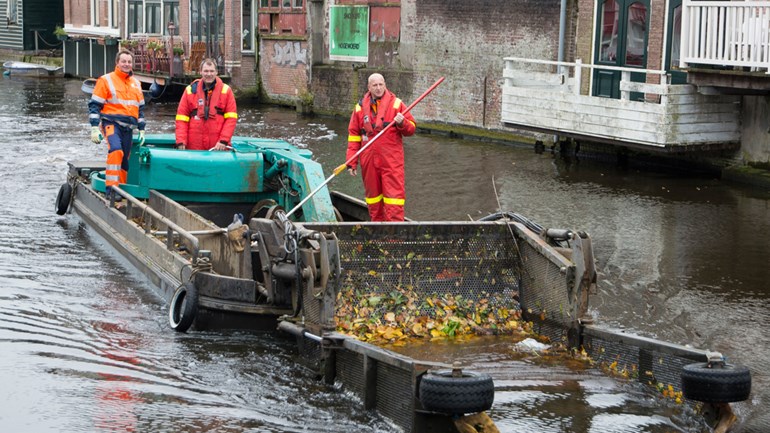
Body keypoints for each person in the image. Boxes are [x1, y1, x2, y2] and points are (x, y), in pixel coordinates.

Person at [346, 73, 416, 221]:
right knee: (373, 200)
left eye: (381, 85)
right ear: (368, 87)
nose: (378, 88)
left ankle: (393, 240)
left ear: (385, 84)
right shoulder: (359, 108)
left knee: (394, 200)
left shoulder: (396, 104)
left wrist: (402, 123)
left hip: (391, 161)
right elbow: (353, 136)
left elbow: (411, 129)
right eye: (375, 85)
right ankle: (377, 234)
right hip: (369, 161)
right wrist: (351, 162)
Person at [88, 49, 146, 197]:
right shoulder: (106, 80)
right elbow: (95, 105)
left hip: (128, 127)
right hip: (112, 123)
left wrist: (141, 129)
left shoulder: (136, 84)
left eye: (129, 62)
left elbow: (140, 110)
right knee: (115, 150)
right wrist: (94, 127)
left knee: (125, 160)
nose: (126, 64)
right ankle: (112, 191)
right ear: (117, 63)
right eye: (123, 61)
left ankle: (121, 190)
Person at [174, 58, 238, 151]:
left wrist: (223, 140)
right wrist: (181, 140)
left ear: (216, 72)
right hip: (194, 146)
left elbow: (231, 119)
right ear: (201, 72)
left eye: (212, 71)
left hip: (218, 147)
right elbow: (181, 119)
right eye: (206, 71)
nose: (209, 74)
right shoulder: (190, 91)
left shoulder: (226, 91)